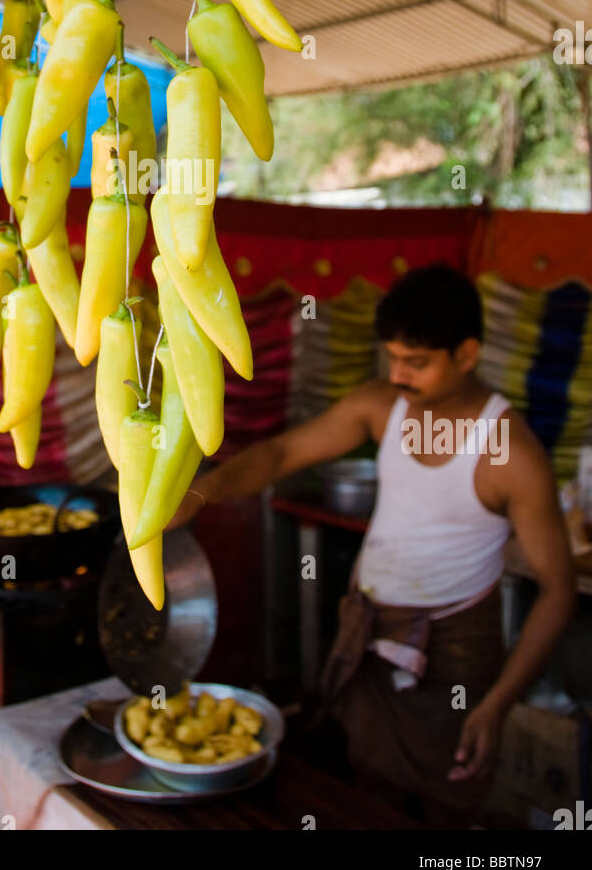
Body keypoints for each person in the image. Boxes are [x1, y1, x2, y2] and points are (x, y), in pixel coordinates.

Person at [168, 262, 576, 827]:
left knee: (448, 796)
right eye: (393, 356)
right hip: (369, 625)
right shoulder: (381, 406)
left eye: (418, 362)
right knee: (365, 779)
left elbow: (558, 592)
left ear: (467, 354)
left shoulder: (509, 452)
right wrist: (201, 491)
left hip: (453, 651)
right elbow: (282, 455)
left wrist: (497, 703)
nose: (399, 374)